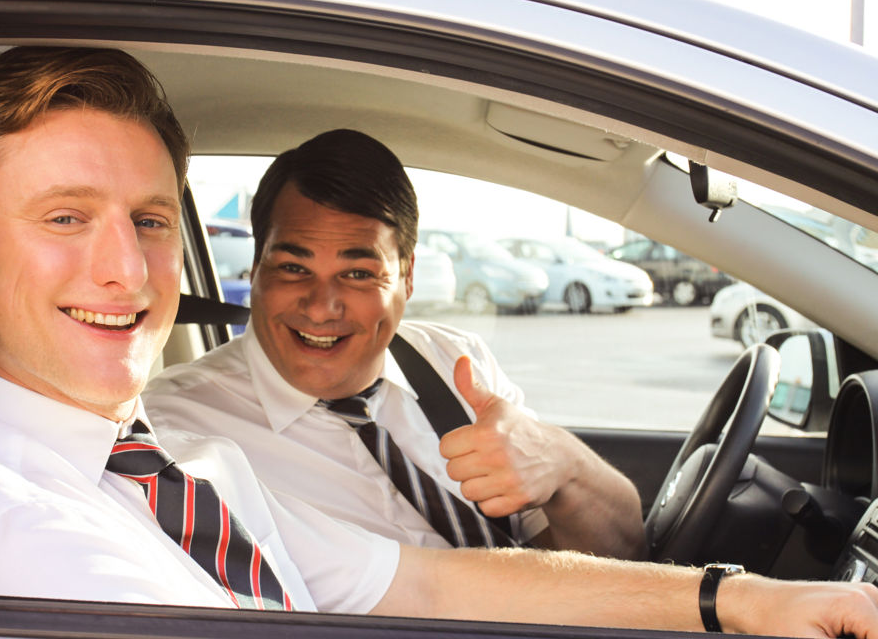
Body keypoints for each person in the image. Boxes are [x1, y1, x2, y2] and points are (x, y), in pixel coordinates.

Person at [0, 46, 878, 639]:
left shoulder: (155, 462)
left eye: (145, 219)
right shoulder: (22, 549)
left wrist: (737, 599)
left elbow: (432, 580)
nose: (130, 274)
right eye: (63, 218)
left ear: (405, 279)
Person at [144, 128, 645, 559]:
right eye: (294, 268)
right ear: (255, 270)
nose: (321, 307)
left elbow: (623, 556)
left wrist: (564, 464)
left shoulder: (454, 364)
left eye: (358, 273)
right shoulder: (174, 426)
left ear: (406, 277)